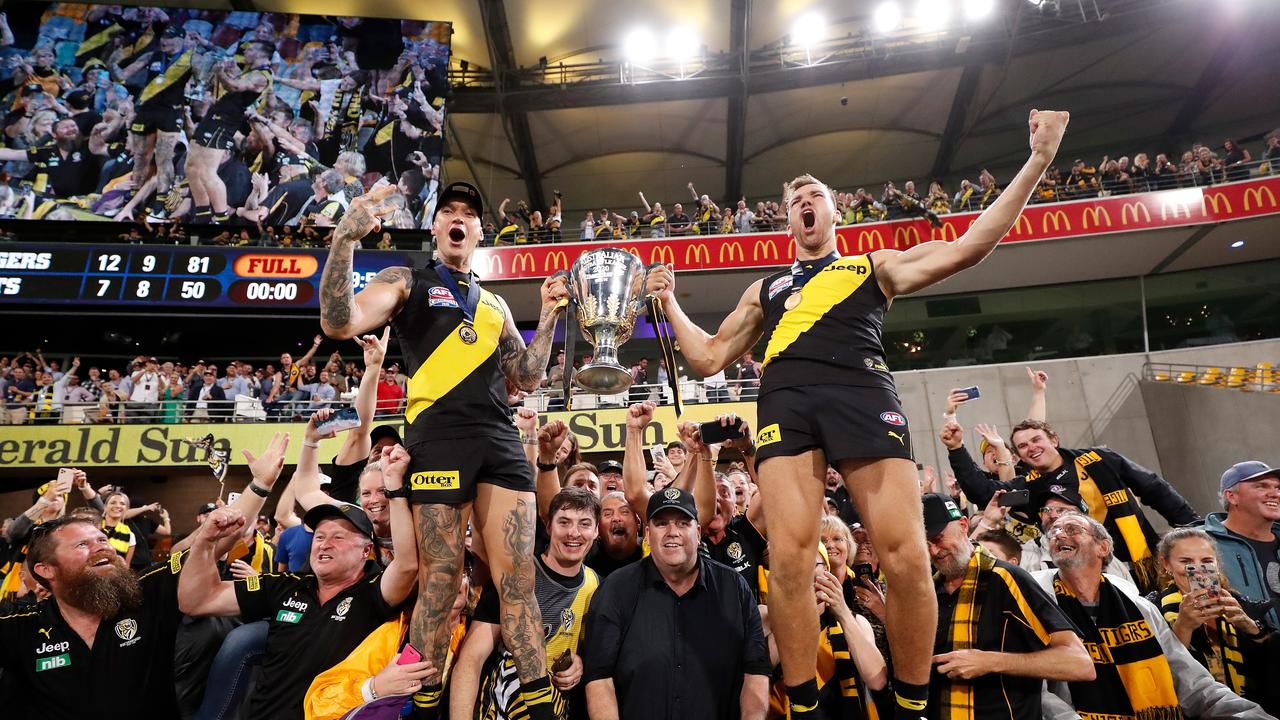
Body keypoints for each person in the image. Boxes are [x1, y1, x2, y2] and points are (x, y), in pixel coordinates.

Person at [644, 109, 1070, 720]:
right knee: (788, 559)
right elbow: (708, 358)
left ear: (836, 212)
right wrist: (670, 302)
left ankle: (910, 703)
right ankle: (809, 705)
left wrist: (1037, 161)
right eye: (795, 200)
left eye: (815, 196)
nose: (805, 203)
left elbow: (970, 247)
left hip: (864, 396)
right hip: (786, 403)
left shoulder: (874, 266)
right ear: (786, 220)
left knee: (905, 556)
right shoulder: (764, 290)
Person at [319, 181, 567, 719]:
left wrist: (547, 314)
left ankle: (542, 707)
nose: (458, 219)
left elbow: (524, 375)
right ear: (436, 228)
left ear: (479, 230)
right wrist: (344, 241)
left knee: (518, 581)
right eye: (448, 212)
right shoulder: (406, 281)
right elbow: (339, 321)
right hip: (437, 438)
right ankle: (426, 706)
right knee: (440, 578)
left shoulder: (496, 303)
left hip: (500, 440)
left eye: (468, 214)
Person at [0, 434, 290, 719]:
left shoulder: (145, 594)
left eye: (102, 540)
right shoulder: (21, 627)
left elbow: (214, 544)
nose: (101, 548)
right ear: (46, 570)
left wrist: (260, 485)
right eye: (82, 545)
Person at [178, 444, 417, 720]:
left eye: (338, 537)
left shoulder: (374, 589)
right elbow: (196, 600)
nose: (324, 545)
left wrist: (396, 489)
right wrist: (205, 542)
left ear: (365, 551)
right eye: (319, 536)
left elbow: (407, 565)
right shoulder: (287, 584)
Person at [1035, 513, 1268, 719]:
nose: (1058, 535)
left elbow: (1191, 680)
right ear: (1166, 564)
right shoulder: (1039, 607)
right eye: (1053, 531)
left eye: (1072, 529)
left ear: (1103, 548)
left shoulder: (1140, 608)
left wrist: (1249, 713)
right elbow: (1039, 694)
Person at [580, 487, 771, 719]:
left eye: (683, 523)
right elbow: (599, 677)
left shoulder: (734, 588)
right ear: (648, 534)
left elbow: (755, 670)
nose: (672, 532)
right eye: (662, 523)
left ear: (698, 532)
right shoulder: (615, 590)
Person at [922, 493, 1093, 719]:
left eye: (938, 538)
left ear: (963, 525)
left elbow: (1079, 663)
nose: (934, 551)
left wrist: (990, 661)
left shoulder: (1006, 578)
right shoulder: (927, 592)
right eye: (923, 543)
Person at [450, 487, 601, 719]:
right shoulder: (515, 576)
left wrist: (580, 662)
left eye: (584, 524)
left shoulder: (596, 585)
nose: (574, 533)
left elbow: (591, 655)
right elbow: (471, 659)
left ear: (596, 531)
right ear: (549, 527)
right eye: (564, 522)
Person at [1009, 419, 1198, 594]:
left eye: (1036, 439)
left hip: (1138, 561)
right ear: (1019, 457)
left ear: (1054, 440)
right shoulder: (1029, 487)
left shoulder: (1098, 459)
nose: (1032, 447)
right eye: (1023, 446)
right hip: (1085, 574)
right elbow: (986, 491)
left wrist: (1192, 525)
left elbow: (1153, 488)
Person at [1152, 527, 1278, 715]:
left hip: (1258, 710)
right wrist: (1183, 627)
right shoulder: (1153, 608)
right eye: (1186, 562)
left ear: (1217, 564)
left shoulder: (1241, 602)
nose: (1198, 571)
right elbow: (1160, 672)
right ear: (1166, 564)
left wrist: (1249, 626)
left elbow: (1272, 665)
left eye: (1206, 561)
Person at [1201, 461, 1280, 632]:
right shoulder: (1202, 543)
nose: (1275, 494)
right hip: (1244, 651)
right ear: (1231, 496)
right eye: (1262, 486)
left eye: (1278, 488)